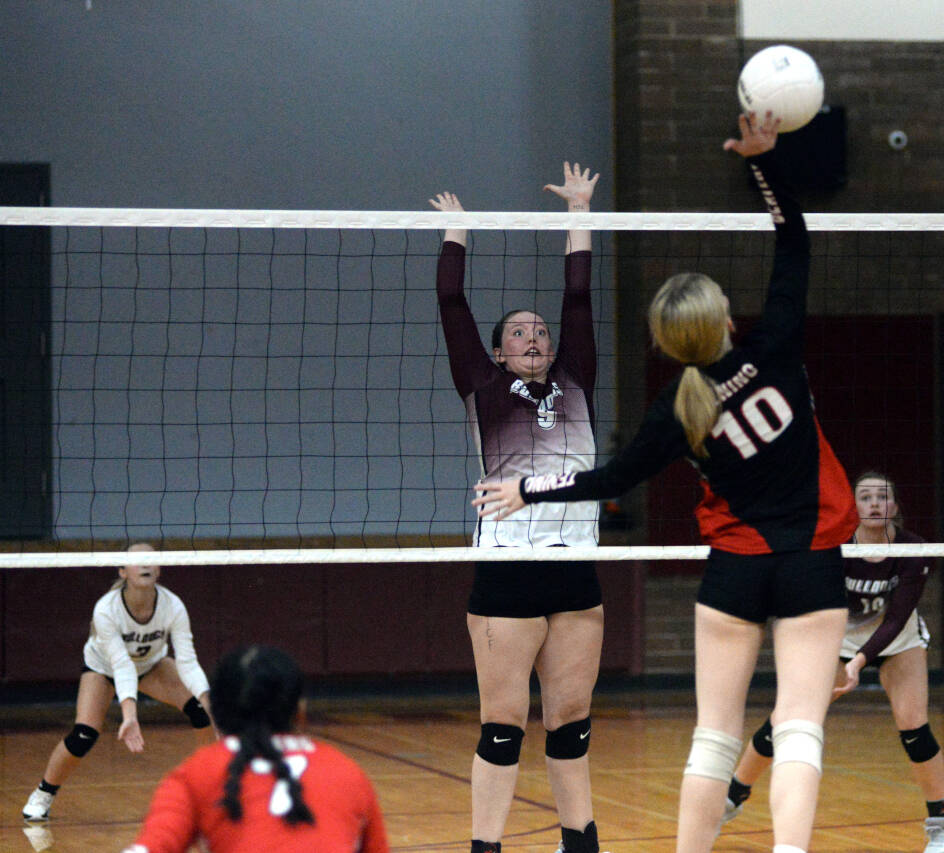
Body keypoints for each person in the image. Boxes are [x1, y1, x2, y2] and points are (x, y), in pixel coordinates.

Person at [473, 112, 858, 853]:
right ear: (724, 319)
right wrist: (763, 163)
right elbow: (794, 240)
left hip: (734, 570)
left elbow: (611, 478)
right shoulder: (776, 347)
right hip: (811, 560)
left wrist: (529, 491)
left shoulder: (677, 409)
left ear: (665, 340)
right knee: (799, 729)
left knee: (714, 738)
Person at [429, 162, 608, 853]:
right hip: (507, 568)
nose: (534, 338)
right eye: (519, 334)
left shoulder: (577, 379)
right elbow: (452, 304)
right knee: (503, 725)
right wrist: (457, 233)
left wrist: (580, 213)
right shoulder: (481, 385)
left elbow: (579, 295)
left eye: (541, 332)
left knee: (571, 723)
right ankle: (486, 847)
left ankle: (579, 843)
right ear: (499, 353)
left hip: (575, 567)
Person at [721, 471, 944, 853]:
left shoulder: (913, 548)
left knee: (913, 724)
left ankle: (942, 824)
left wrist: (861, 661)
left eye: (882, 497)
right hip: (839, 637)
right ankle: (732, 798)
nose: (874, 504)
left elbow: (897, 617)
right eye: (865, 497)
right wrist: (831, 656)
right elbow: (820, 605)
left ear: (895, 505)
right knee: (787, 718)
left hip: (897, 641)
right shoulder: (834, 545)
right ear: (853, 506)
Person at [120, 644, 389, 853]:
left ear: (217, 712)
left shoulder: (197, 773)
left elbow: (150, 847)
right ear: (300, 712)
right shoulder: (347, 772)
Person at [21, 543, 215, 823]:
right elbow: (121, 665)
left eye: (151, 559)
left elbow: (187, 661)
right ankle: (44, 793)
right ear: (123, 571)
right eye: (137, 561)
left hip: (151, 665)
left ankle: (212, 787)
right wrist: (130, 716)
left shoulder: (173, 605)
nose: (145, 564)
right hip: (103, 669)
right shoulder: (106, 609)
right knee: (84, 735)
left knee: (202, 711)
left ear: (159, 569)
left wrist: (209, 701)